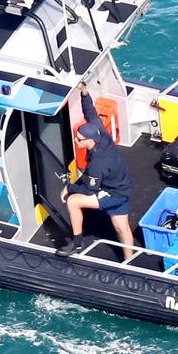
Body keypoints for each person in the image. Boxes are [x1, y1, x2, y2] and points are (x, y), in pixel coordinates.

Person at [57, 84, 135, 257]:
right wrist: (84, 93)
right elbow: (90, 113)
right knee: (121, 227)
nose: (76, 141)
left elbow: (89, 189)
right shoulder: (100, 131)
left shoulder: (97, 164)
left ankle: (77, 243)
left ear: (90, 141)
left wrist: (69, 188)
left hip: (111, 192)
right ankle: (129, 262)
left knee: (73, 201)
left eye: (79, 139)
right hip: (122, 185)